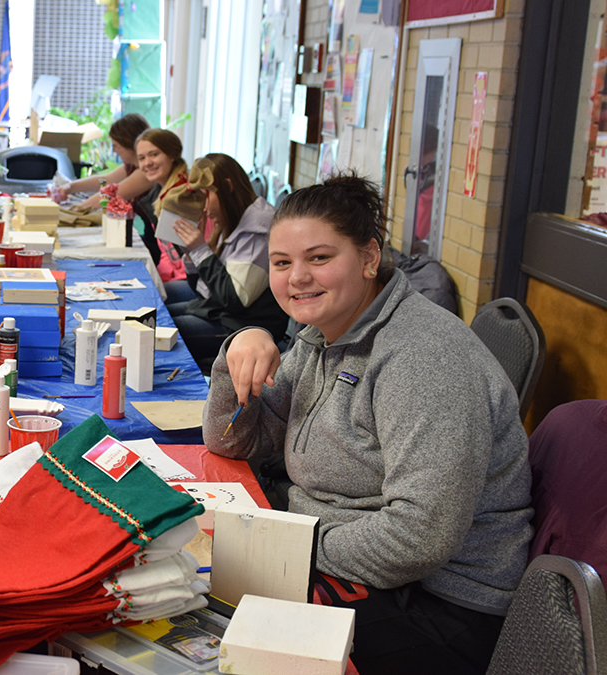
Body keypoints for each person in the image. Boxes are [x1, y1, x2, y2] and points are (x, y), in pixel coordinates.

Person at [203, 174, 532, 675]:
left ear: (369, 258)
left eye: (319, 258)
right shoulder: (323, 332)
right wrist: (239, 350)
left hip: (434, 609)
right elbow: (241, 439)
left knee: (213, 631)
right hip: (347, 554)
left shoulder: (423, 358)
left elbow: (419, 537)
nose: (297, 278)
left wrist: (292, 550)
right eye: (282, 262)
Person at [165, 153, 287, 370]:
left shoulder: (258, 229)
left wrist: (200, 250)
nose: (204, 209)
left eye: (206, 195)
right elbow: (204, 290)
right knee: (162, 309)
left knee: (165, 329)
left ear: (228, 187)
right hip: (224, 312)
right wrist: (192, 253)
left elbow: (234, 298)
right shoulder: (233, 218)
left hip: (244, 327)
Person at [51, 112, 153, 210]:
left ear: (129, 143)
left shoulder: (146, 172)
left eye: (116, 146)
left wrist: (76, 210)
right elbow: (106, 180)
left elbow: (112, 195)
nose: (114, 151)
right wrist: (70, 186)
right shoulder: (131, 166)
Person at [131, 128, 188, 280]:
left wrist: (160, 283)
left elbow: (191, 256)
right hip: (175, 276)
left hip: (192, 281)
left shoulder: (185, 196)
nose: (147, 163)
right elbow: (166, 252)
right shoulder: (156, 198)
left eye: (154, 154)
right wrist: (157, 278)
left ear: (172, 154)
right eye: (141, 158)